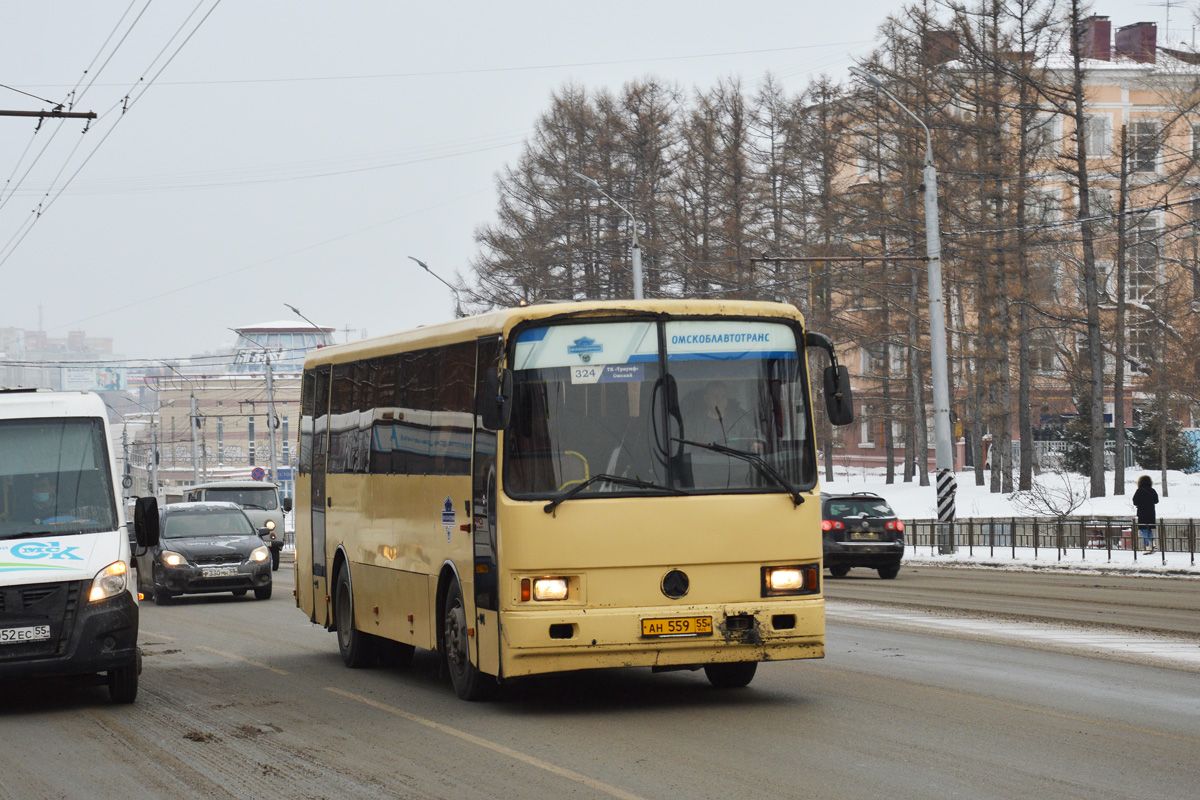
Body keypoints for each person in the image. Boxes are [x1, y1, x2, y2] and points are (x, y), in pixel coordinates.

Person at [1132, 474, 1159, 554]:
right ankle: (1153, 543)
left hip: (1142, 512)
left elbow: (1135, 501)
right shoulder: (1152, 490)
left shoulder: (1139, 491)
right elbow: (1156, 501)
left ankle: (1148, 546)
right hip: (1151, 512)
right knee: (1149, 529)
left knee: (1143, 529)